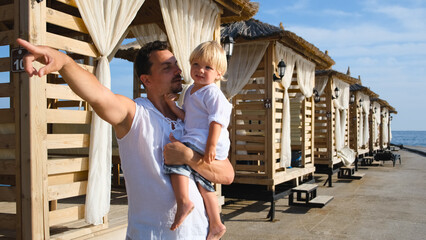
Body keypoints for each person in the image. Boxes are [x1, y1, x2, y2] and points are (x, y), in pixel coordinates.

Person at [16, 38, 235, 240]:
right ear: (146, 80)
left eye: (176, 65)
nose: (179, 71)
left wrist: (188, 156)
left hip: (199, 233)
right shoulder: (135, 113)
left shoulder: (191, 119)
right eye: (167, 68)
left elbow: (226, 174)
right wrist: (64, 62)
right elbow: (98, 95)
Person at [163, 41, 231, 240]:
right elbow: (188, 117)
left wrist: (210, 145)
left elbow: (217, 119)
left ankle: (183, 201)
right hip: (200, 138)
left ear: (218, 74)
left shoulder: (211, 92)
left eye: (208, 67)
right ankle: (216, 223)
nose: (200, 70)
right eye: (196, 65)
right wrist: (172, 106)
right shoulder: (192, 90)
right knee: (203, 182)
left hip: (207, 140)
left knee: (176, 158)